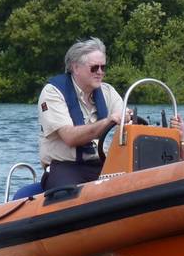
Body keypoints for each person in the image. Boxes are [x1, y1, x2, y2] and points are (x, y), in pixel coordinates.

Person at [38, 37, 129, 190]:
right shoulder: (53, 92)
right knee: (68, 195)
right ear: (76, 68)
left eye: (103, 67)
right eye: (94, 68)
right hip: (65, 167)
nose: (100, 72)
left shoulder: (108, 92)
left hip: (101, 164)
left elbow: (126, 121)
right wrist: (108, 121)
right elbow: (70, 136)